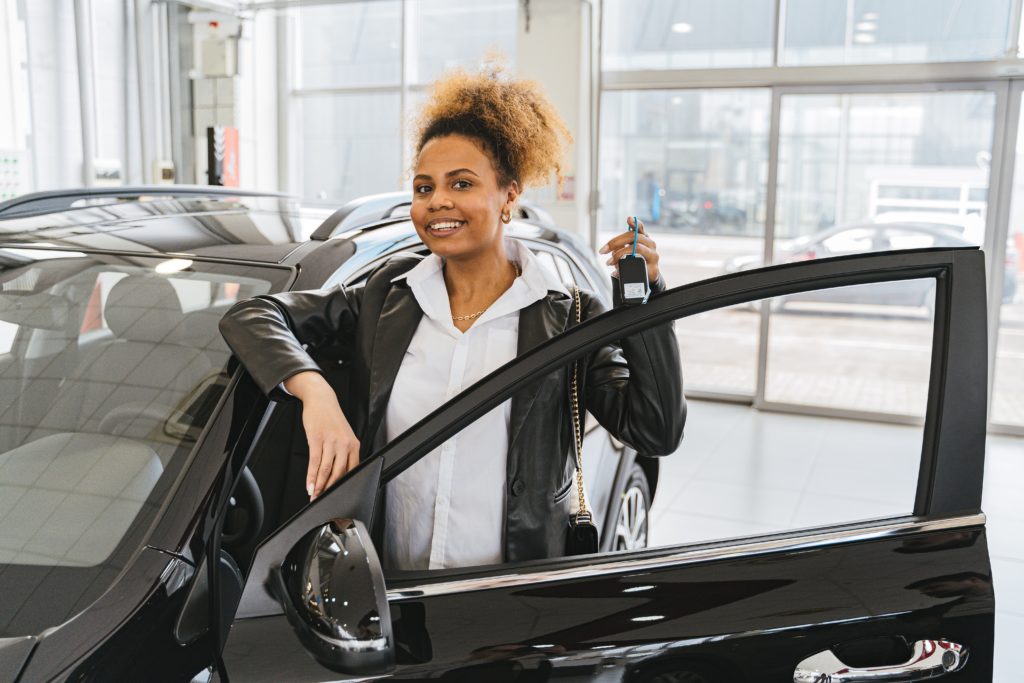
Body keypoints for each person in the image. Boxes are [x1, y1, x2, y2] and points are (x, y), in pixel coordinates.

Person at [218, 65, 684, 570]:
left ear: (509, 194)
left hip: (507, 596)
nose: (437, 200)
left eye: (461, 183)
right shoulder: (386, 295)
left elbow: (655, 430)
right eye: (423, 187)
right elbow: (255, 313)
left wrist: (647, 303)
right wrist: (315, 392)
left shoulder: (569, 315)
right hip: (386, 586)